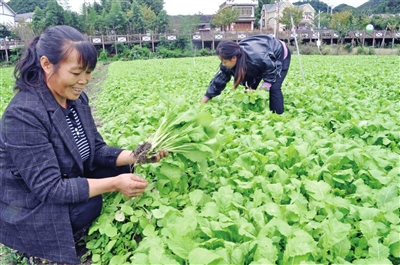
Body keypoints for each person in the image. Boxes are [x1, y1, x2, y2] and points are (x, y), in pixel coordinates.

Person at [0, 25, 167, 264]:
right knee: (88, 205)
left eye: (88, 72)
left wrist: (137, 156)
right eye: (77, 72)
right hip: (29, 203)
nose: (84, 81)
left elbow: (96, 150)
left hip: (67, 174)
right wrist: (113, 185)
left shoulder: (76, 99)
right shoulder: (24, 114)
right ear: (47, 64)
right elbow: (50, 189)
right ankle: (39, 248)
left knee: (123, 168)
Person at [201, 34, 291, 114]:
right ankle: (251, 112)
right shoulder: (232, 59)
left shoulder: (257, 57)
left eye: (224, 62)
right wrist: (203, 101)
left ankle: (277, 115)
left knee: (274, 87)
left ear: (233, 58)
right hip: (262, 57)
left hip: (279, 53)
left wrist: (263, 89)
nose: (223, 64)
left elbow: (271, 70)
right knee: (250, 87)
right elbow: (218, 81)